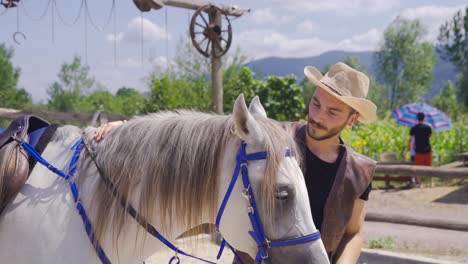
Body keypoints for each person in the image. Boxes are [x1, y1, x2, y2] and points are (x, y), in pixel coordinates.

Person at [94, 62, 378, 264]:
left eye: (332, 112)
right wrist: (127, 129)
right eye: (316, 103)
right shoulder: (274, 140)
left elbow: (353, 233)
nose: (318, 116)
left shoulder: (359, 171)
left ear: (352, 119)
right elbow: (200, 137)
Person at [408, 112, 432, 187]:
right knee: (429, 167)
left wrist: (410, 148)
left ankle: (420, 184)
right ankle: (431, 183)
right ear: (424, 118)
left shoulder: (414, 128)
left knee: (418, 168)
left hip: (418, 150)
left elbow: (411, 140)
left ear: (417, 118)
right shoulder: (428, 127)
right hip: (428, 149)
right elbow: (430, 137)